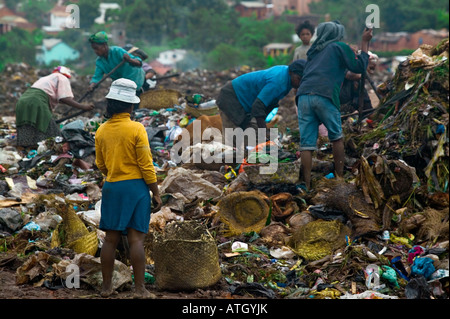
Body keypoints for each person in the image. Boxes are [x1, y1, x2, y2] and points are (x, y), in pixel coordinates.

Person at [94, 78, 162, 298]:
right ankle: (140, 290)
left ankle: (106, 288)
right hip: (136, 189)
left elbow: (100, 164)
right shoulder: (137, 128)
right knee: (136, 239)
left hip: (112, 186)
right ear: (131, 105)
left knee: (110, 238)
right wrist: (156, 192)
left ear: (111, 103)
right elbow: (146, 165)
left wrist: (114, 172)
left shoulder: (101, 130)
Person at [296, 21, 372, 190]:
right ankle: (339, 179)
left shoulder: (313, 51)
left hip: (303, 96)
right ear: (337, 34)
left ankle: (306, 185)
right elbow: (359, 66)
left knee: (307, 144)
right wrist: (365, 42)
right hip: (325, 95)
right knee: (336, 137)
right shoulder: (338, 46)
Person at [216, 59, 306, 155]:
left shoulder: (287, 78)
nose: (300, 83)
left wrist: (263, 130)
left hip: (246, 103)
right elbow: (258, 106)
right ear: (291, 72)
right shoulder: (278, 82)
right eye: (299, 79)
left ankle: (244, 160)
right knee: (232, 139)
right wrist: (264, 131)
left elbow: (269, 103)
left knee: (254, 137)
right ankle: (225, 165)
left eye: (303, 80)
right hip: (231, 98)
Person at [15, 66, 94, 148]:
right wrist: (83, 107)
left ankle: (26, 148)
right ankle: (43, 150)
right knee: (53, 134)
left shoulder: (45, 78)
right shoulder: (62, 78)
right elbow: (64, 98)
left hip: (22, 101)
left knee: (27, 125)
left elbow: (60, 99)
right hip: (37, 101)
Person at [88, 31, 145, 98]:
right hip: (121, 84)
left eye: (97, 48)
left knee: (132, 104)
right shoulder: (99, 62)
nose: (95, 51)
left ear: (104, 45)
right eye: (94, 49)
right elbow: (97, 77)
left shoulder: (117, 51)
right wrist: (92, 85)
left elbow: (139, 62)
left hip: (134, 79)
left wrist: (129, 60)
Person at [340, 50, 379, 114]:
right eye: (369, 67)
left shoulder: (360, 86)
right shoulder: (344, 70)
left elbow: (368, 108)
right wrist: (364, 71)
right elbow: (350, 75)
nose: (371, 71)